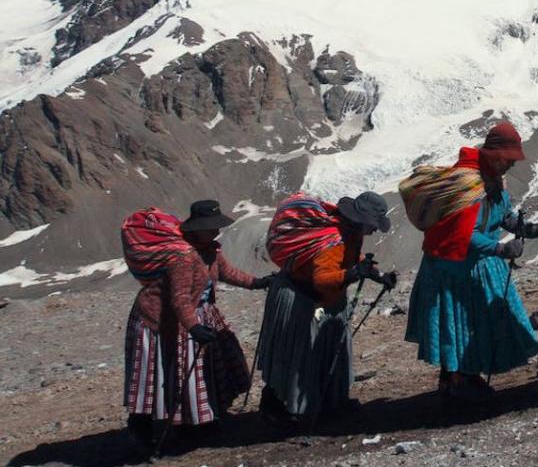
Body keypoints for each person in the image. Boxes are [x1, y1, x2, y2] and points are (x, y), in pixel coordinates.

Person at [404, 122, 538, 402]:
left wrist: (529, 229)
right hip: (456, 269)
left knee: (466, 323)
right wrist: (500, 248)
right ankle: (460, 380)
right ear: (495, 154)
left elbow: (502, 215)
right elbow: (465, 234)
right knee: (464, 323)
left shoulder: (493, 182)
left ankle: (459, 378)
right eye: (508, 159)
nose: (511, 165)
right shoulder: (468, 184)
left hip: (471, 265)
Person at [122, 200, 271, 450]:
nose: (215, 231)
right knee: (158, 375)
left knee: (197, 369)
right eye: (210, 227)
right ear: (196, 227)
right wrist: (193, 328)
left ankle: (199, 419)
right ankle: (148, 428)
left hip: (194, 314)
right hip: (159, 320)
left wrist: (257, 282)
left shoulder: (210, 249)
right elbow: (179, 299)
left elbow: (226, 273)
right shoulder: (183, 256)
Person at [257, 191, 396, 423]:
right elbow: (321, 280)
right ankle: (283, 406)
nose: (373, 230)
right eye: (372, 225)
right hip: (304, 298)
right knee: (298, 355)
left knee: (324, 351)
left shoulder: (349, 233)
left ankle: (327, 401)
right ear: (360, 220)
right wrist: (353, 274)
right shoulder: (333, 241)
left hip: (322, 299)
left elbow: (351, 258)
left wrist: (377, 274)